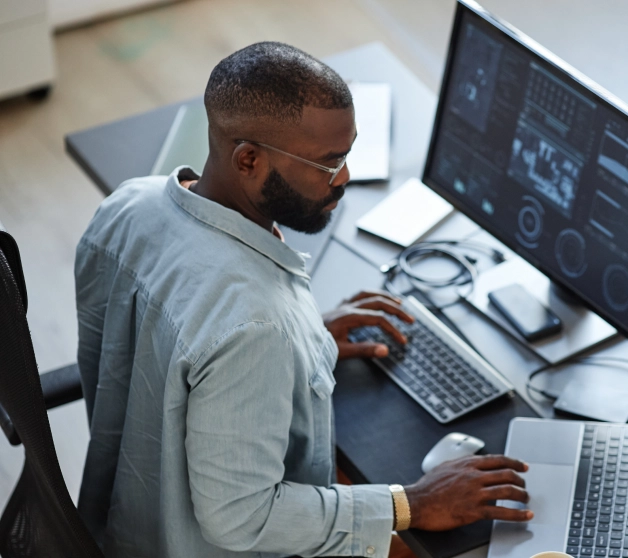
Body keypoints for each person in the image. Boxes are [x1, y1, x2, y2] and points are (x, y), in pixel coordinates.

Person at [74, 41, 532, 558]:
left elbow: (170, 345)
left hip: (123, 513)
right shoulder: (255, 325)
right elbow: (241, 519)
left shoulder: (127, 205)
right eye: (328, 163)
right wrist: (411, 504)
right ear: (248, 159)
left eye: (348, 153)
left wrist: (306, 342)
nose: (345, 178)